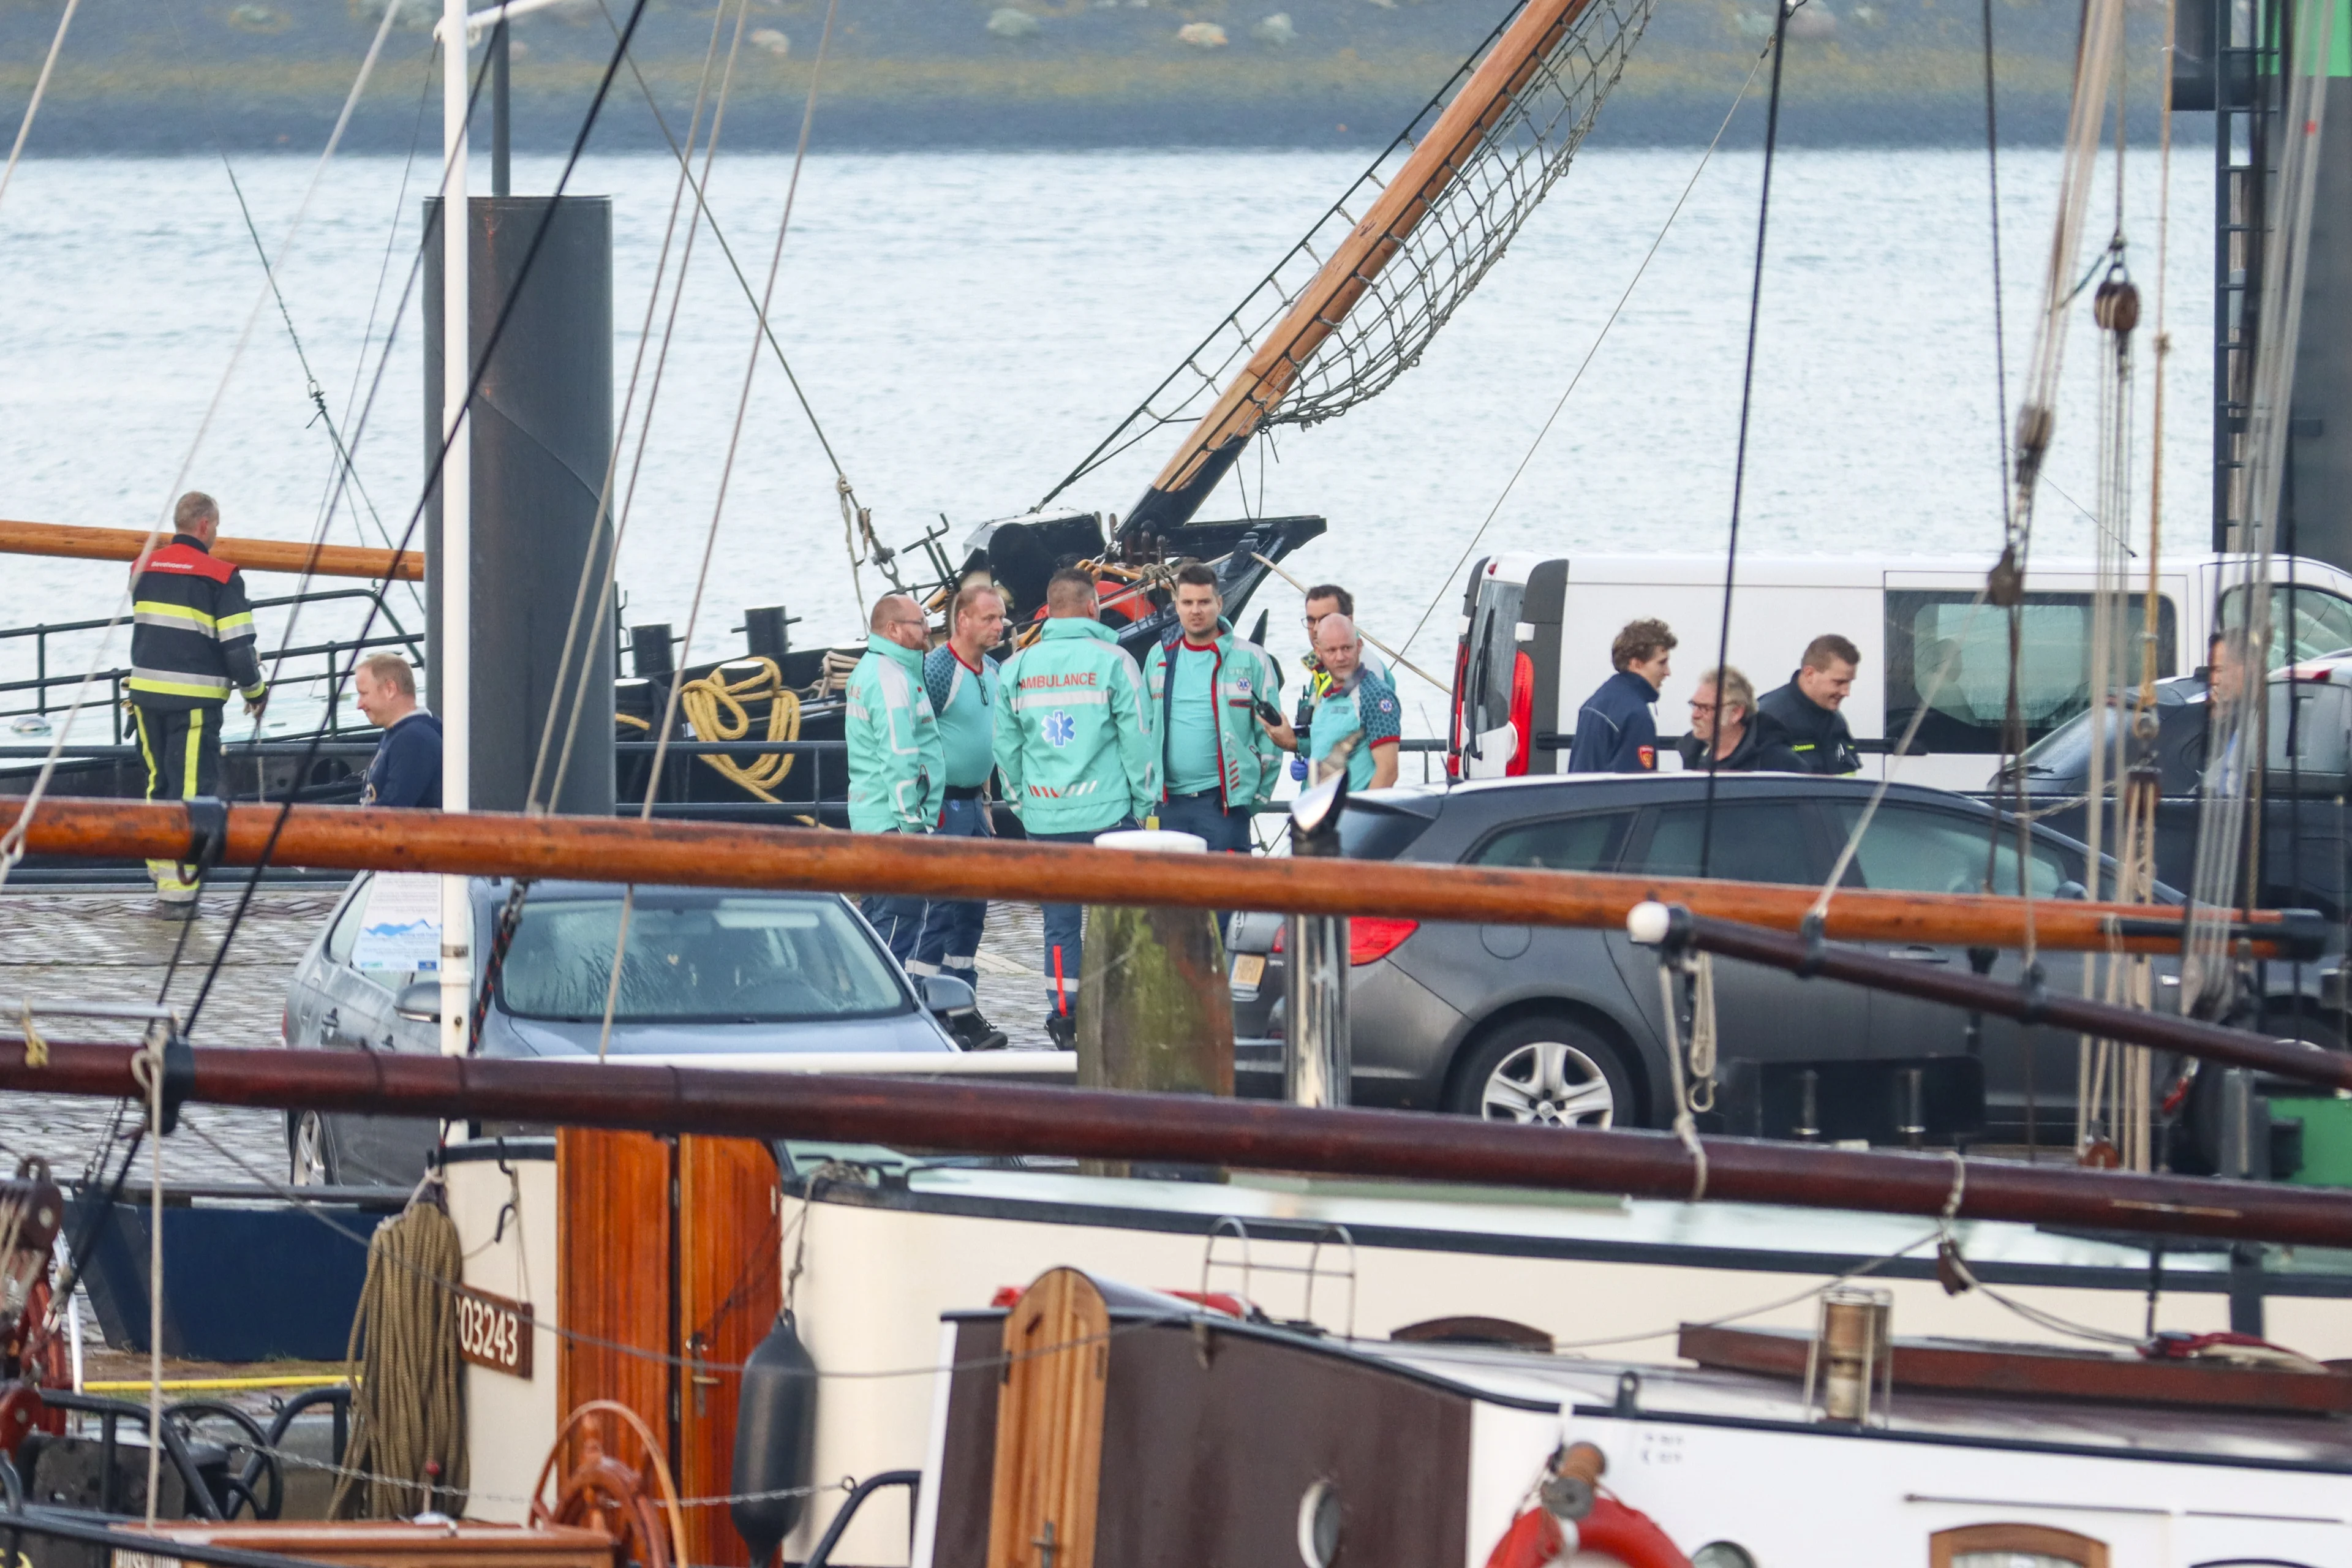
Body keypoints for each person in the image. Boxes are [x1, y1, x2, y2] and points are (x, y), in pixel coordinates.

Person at [994, 568, 1157, 1046]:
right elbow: (1139, 743)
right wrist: (1145, 807)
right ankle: (1122, 1009)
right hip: (1110, 817)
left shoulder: (1016, 668)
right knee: (1122, 919)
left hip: (1045, 818)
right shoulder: (1115, 662)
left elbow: (1006, 750)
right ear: (1093, 607)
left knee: (1059, 926)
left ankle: (1065, 1018)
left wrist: (1023, 803)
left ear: (1046, 610)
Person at [127, 491, 268, 914]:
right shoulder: (221, 577)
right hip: (194, 702)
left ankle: (159, 872)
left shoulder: (142, 569)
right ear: (205, 525)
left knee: (157, 784)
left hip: (146, 696)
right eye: (217, 527)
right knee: (191, 790)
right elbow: (238, 647)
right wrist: (255, 692)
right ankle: (179, 890)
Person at [911, 581, 1011, 1051]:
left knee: (973, 913)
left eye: (1002, 617)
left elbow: (986, 742)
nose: (1000, 625)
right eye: (990, 618)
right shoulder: (937, 669)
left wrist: (987, 800)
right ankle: (925, 1008)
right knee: (941, 911)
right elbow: (913, 736)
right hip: (943, 806)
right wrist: (922, 808)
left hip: (973, 804)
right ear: (963, 620)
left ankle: (962, 1007)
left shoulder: (992, 670)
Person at [1144, 562, 1283, 855]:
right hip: (1169, 805)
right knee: (1172, 899)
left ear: (1219, 604)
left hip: (1224, 806)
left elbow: (1271, 736)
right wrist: (1146, 796)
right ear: (1176, 606)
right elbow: (1142, 729)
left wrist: (1254, 800)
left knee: (1225, 898)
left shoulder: (1253, 660)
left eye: (1204, 602)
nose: (1196, 611)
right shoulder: (1158, 656)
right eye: (1188, 602)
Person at [845, 593, 944, 965]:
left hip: (871, 820)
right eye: (919, 623)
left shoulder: (871, 670)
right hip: (893, 826)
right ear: (893, 629)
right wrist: (912, 827)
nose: (928, 629)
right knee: (897, 927)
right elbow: (899, 756)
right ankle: (878, 1010)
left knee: (875, 923)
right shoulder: (890, 678)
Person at [1287, 612, 1400, 791]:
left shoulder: (1375, 695)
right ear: (1318, 652)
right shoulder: (1327, 697)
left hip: (1350, 816)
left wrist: (1359, 817)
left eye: (1347, 648)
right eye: (1332, 650)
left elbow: (1388, 772)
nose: (1340, 657)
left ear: (1359, 647)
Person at [1285, 582, 1385, 778]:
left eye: (1324, 619)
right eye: (1311, 620)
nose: (1315, 629)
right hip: (1322, 791)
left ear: (1349, 621)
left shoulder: (1367, 668)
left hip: (1348, 793)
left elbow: (1358, 739)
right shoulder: (1322, 667)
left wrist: (1293, 743)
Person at [1566, 619, 1673, 774]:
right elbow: (1635, 787)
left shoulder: (1596, 701)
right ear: (1637, 664)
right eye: (1662, 663)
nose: (1668, 672)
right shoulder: (1636, 715)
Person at [1757, 633, 1863, 775]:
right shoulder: (1769, 719)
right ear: (1809, 674)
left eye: (1849, 682)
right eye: (1839, 682)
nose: (1846, 692)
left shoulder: (1837, 721)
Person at [353, 654, 442, 807]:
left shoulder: (413, 739)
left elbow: (393, 811)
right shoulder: (403, 733)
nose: (359, 705)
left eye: (364, 694)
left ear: (390, 689)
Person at [1676, 666, 1803, 772]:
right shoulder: (1693, 755)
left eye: (1705, 708)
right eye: (1694, 705)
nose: (1695, 715)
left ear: (1736, 713)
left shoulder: (1776, 762)